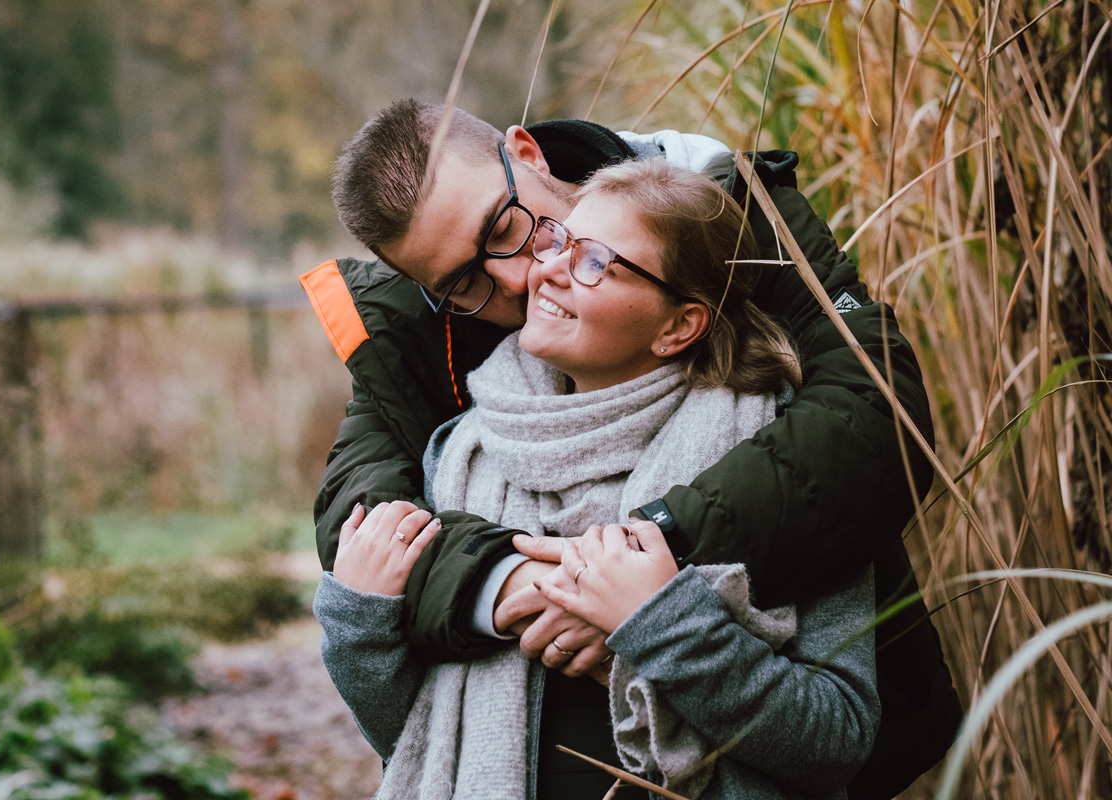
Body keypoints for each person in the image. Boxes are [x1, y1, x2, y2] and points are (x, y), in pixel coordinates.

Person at [302, 99, 960, 799]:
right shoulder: (446, 407)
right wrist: (516, 588)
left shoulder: (729, 223)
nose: (523, 278)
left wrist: (648, 573)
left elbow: (870, 418)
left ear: (526, 153)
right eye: (465, 282)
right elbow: (364, 519)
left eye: (505, 227)